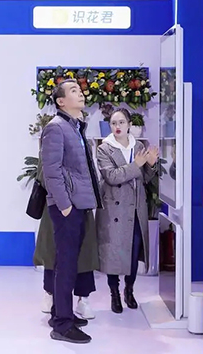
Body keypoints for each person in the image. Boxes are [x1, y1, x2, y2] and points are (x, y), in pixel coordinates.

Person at [40, 79, 102, 344]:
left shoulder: (74, 127)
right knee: (65, 266)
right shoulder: (56, 128)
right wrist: (65, 205)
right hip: (67, 207)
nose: (81, 93)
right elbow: (51, 170)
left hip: (78, 204)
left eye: (80, 89)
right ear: (61, 101)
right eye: (73, 91)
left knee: (68, 264)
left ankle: (60, 313)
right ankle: (62, 325)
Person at [95, 108, 159, 313]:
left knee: (133, 252)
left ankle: (129, 290)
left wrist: (151, 165)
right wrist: (136, 165)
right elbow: (112, 177)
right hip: (114, 210)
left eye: (121, 122)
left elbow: (144, 178)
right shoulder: (104, 149)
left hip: (135, 209)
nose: (117, 127)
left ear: (129, 124)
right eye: (114, 123)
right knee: (114, 253)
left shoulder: (138, 146)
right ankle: (114, 293)